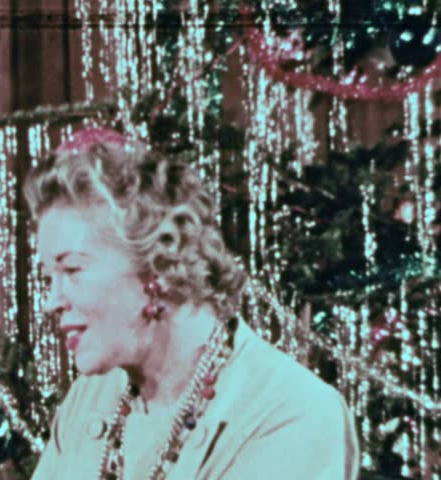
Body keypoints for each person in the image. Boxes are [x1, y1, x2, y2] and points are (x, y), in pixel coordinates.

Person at [24, 128, 359, 480]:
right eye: (49, 278)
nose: (51, 302)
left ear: (157, 264)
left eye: (72, 270)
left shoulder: (291, 411)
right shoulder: (90, 398)